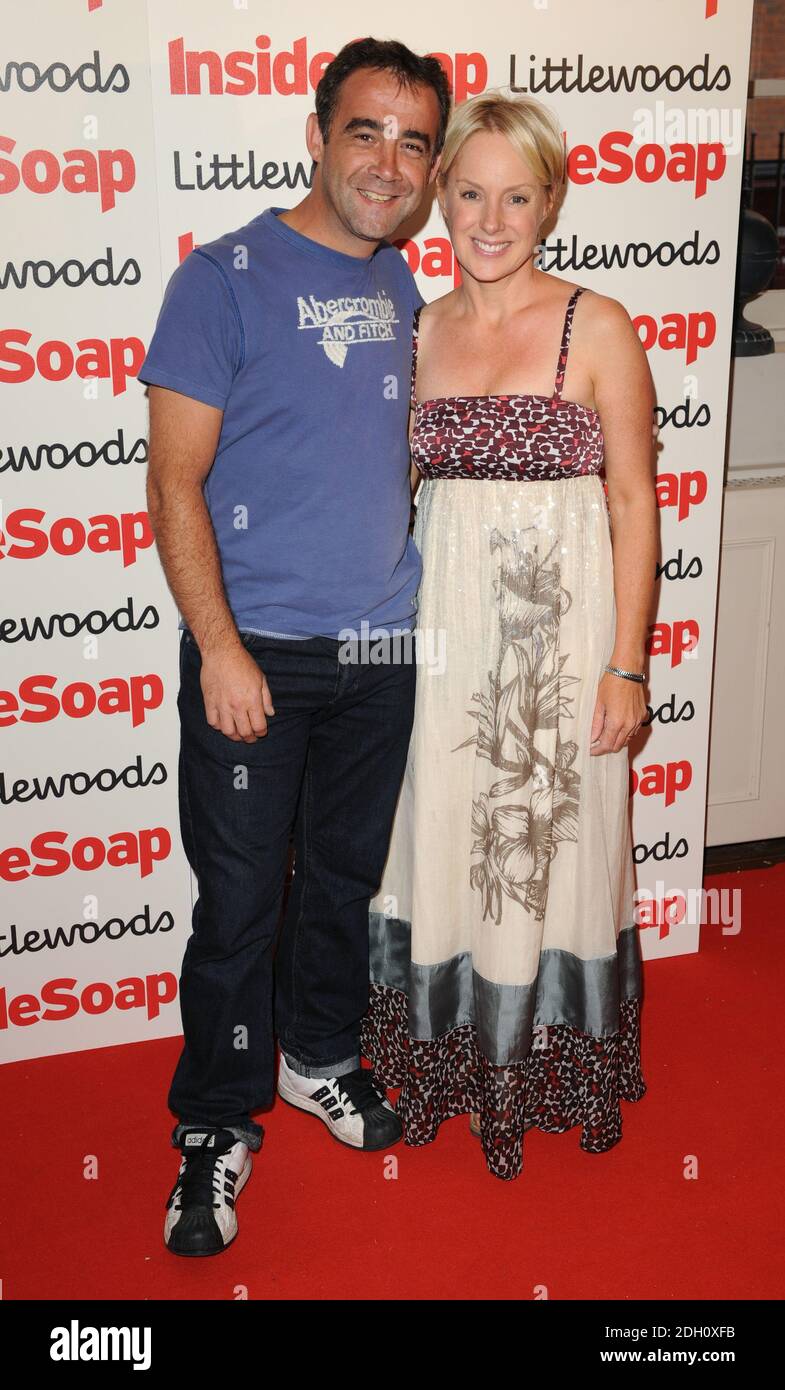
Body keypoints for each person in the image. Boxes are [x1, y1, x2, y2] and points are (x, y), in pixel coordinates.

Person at [137, 38, 451, 1255]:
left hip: (379, 650)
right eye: (365, 131)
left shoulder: (404, 285)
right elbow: (176, 481)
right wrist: (216, 647)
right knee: (236, 902)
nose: (388, 162)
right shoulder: (219, 277)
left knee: (339, 880)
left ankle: (320, 1054)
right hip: (253, 646)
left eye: (412, 141)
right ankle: (216, 1123)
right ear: (314, 134)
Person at [361, 91, 657, 1180]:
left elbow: (632, 500)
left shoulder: (599, 324)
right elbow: (387, 493)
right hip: (441, 642)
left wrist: (626, 661)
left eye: (516, 196)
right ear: (440, 196)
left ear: (550, 203)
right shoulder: (416, 325)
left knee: (555, 844)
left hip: (564, 641)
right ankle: (443, 1062)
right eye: (470, 192)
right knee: (440, 834)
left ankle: (545, 1068)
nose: (491, 219)